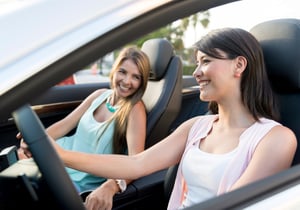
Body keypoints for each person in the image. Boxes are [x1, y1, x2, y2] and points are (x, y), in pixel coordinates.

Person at [21, 28, 297, 210]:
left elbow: (232, 206)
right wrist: (58, 155)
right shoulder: (196, 127)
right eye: (197, 63)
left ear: (239, 65)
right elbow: (135, 163)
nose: (197, 72)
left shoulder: (276, 139)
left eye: (206, 61)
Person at [18, 46, 150, 210]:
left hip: (75, 182)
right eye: (122, 72)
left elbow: (136, 161)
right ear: (114, 71)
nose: (127, 81)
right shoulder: (99, 95)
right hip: (53, 162)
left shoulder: (135, 109)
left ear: (142, 82)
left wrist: (111, 186)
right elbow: (65, 124)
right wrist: (34, 142)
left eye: (135, 77)